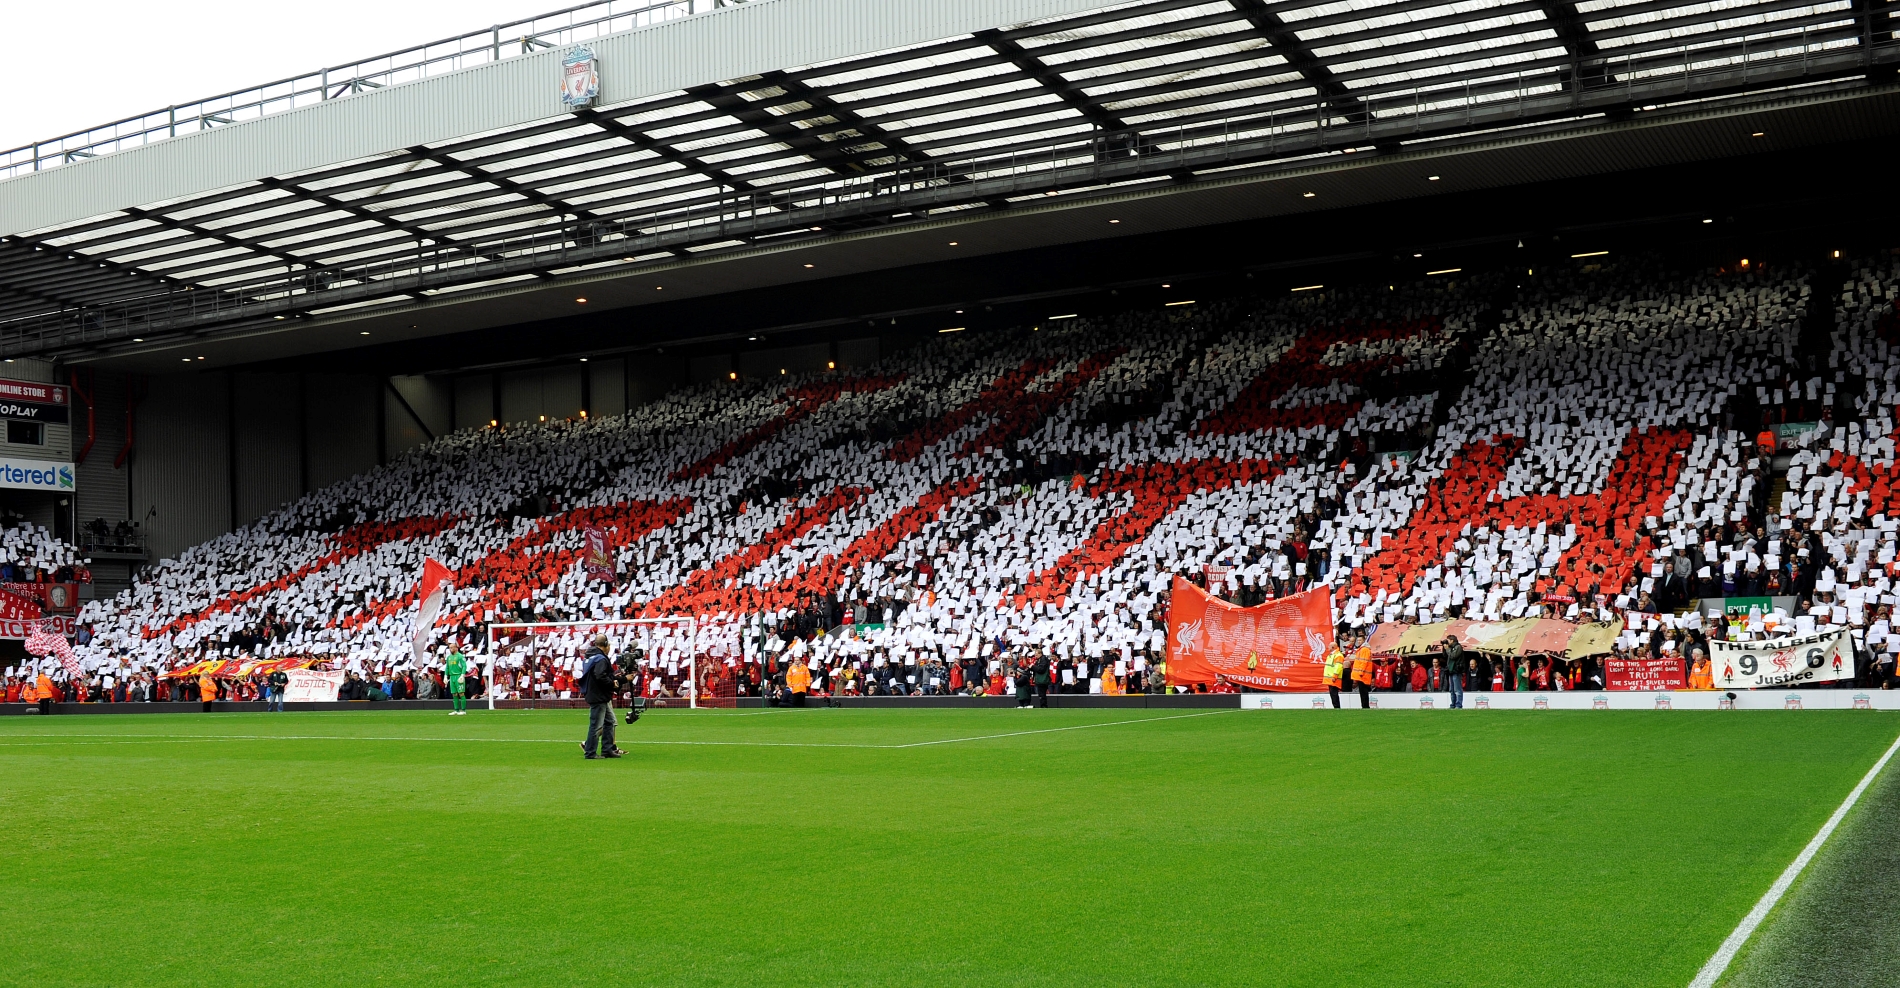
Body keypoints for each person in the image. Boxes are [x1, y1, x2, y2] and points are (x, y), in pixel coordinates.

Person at [579, 635, 621, 759]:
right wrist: (611, 683)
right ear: (606, 645)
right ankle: (590, 752)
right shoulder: (601, 659)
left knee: (609, 722)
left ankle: (607, 749)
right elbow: (600, 675)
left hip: (596, 694)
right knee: (596, 725)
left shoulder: (590, 656)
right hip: (599, 695)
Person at [1350, 636, 1374, 708]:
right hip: (1363, 674)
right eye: (1358, 640)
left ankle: (1365, 706)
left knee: (1363, 692)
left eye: (1360, 640)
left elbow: (1364, 662)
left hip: (1363, 675)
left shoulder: (1364, 650)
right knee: (1363, 692)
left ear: (1364, 641)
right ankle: (1364, 706)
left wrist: (1360, 672)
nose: (1359, 641)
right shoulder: (1362, 649)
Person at [1322, 641, 1345, 709]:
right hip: (1331, 678)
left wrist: (1335, 676)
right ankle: (1336, 707)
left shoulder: (1338, 655)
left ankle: (1337, 707)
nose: (1328, 647)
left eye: (1329, 646)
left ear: (1333, 647)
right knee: (1333, 694)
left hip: (1333, 678)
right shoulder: (1332, 655)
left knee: (1334, 693)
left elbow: (1338, 667)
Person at [446, 648, 469, 716]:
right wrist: (445, 676)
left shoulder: (460, 656)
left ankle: (463, 710)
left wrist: (462, 675)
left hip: (458, 676)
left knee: (461, 693)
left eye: (452, 647)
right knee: (454, 694)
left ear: (455, 648)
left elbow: (464, 666)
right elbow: (447, 667)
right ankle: (456, 710)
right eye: (449, 648)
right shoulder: (449, 657)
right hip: (452, 676)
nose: (450, 649)